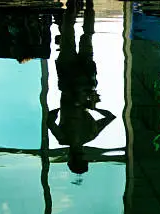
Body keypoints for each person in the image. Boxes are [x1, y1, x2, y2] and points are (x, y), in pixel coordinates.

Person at [47, 0, 115, 174]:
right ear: (70, 158)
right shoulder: (63, 138)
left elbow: (110, 116)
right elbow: (50, 118)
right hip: (68, 83)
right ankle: (72, 5)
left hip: (86, 82)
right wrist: (66, 105)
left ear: (85, 157)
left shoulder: (90, 134)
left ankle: (90, 4)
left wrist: (92, 107)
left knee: (87, 37)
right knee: (68, 34)